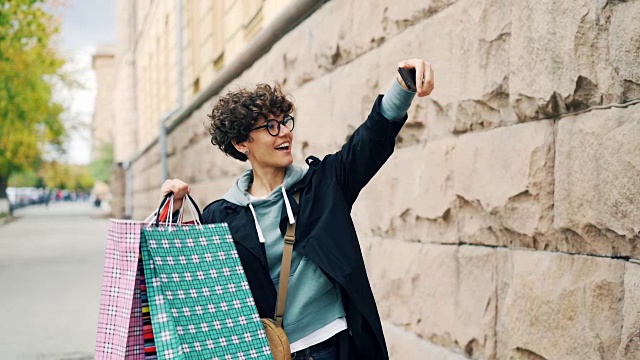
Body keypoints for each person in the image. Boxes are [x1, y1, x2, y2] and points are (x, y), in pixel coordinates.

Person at [161, 59, 434, 359]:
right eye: (270, 126)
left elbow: (370, 140)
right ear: (242, 143)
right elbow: (194, 285)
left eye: (285, 122)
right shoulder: (221, 216)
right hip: (274, 352)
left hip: (337, 344)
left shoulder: (324, 184)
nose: (284, 133)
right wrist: (171, 212)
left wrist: (404, 85)